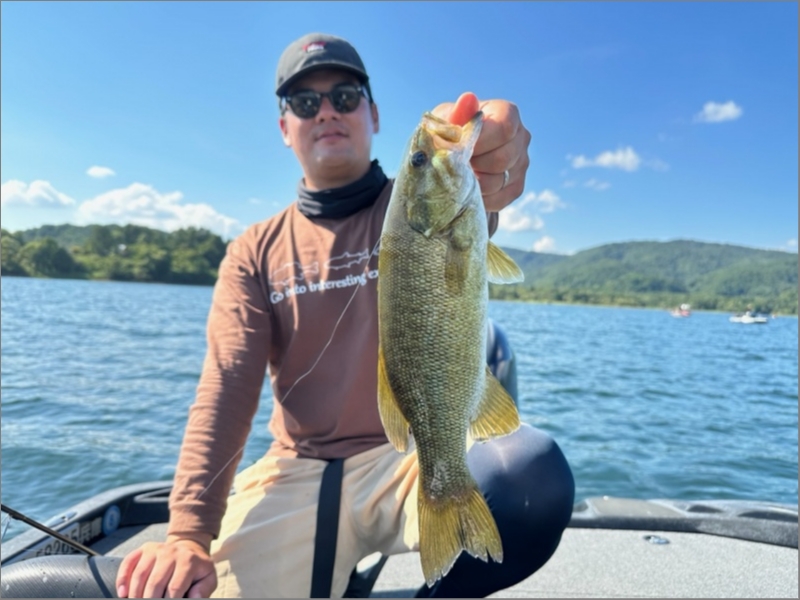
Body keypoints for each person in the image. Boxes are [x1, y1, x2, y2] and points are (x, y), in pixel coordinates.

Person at [115, 32, 575, 599]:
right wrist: (187, 531)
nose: (327, 111)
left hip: (405, 457)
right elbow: (225, 388)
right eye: (305, 102)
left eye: (346, 96)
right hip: (294, 468)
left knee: (529, 476)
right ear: (284, 127)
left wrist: (488, 149)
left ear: (373, 114)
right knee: (197, 590)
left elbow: (477, 189)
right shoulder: (254, 251)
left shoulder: (410, 204)